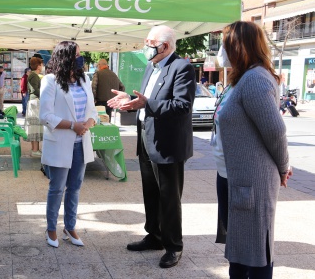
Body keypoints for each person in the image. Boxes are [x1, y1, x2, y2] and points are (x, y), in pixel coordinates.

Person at [108, 25, 196, 268]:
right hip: (146, 138)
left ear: (165, 46)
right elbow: (144, 99)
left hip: (168, 144)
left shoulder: (182, 68)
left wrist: (145, 105)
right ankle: (154, 236)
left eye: (150, 42)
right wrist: (129, 100)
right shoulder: (151, 66)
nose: (146, 46)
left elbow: (181, 106)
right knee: (151, 192)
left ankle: (173, 246)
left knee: (169, 197)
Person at [217, 21, 292, 279]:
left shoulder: (254, 80)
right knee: (243, 252)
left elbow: (275, 130)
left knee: (256, 254)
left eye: (225, 44)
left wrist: (284, 167)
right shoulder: (247, 78)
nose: (222, 51)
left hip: (253, 182)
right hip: (243, 179)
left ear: (239, 47)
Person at [39, 41, 98, 248]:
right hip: (61, 142)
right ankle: (51, 228)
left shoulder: (84, 79)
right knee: (57, 188)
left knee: (75, 188)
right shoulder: (50, 80)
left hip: (82, 142)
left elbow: (93, 111)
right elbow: (45, 116)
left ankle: (70, 226)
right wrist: (73, 125)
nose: (80, 59)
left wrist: (87, 124)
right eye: (77, 55)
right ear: (65, 58)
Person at [25, 57, 44, 157]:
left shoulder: (33, 75)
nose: (42, 66)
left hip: (33, 102)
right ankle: (35, 150)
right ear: (38, 66)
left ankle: (35, 149)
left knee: (34, 127)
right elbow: (35, 89)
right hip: (35, 102)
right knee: (35, 126)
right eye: (41, 64)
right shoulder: (34, 76)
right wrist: (44, 95)